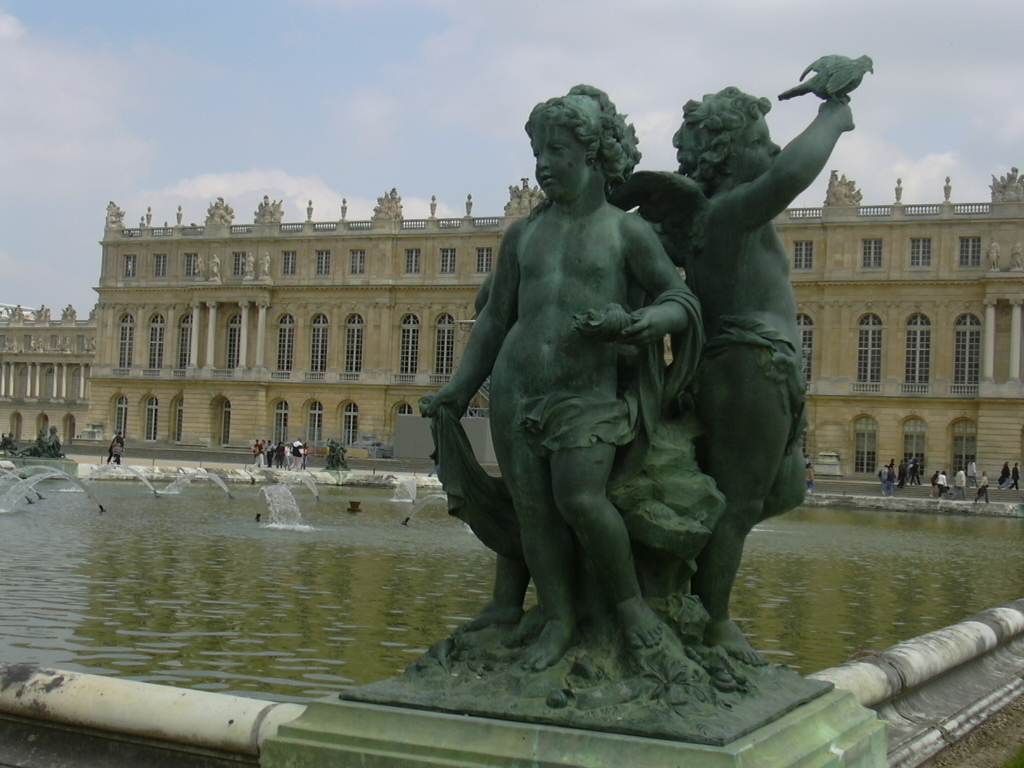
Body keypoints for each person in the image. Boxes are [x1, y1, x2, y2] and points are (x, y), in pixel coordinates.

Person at [421, 85, 701, 671]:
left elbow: (679, 297)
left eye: (556, 151)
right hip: (517, 385)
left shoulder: (626, 232)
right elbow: (497, 318)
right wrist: (459, 388)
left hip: (588, 391)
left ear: (592, 152)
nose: (543, 164)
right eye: (537, 153)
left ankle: (630, 611)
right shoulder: (523, 234)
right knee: (533, 510)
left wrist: (646, 320)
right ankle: (557, 618)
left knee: (580, 499)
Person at [614, 86, 856, 665]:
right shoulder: (728, 213)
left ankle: (687, 561)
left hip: (762, 366)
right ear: (725, 155)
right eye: (758, 141)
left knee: (786, 487)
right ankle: (714, 622)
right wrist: (833, 116)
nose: (771, 149)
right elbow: (794, 171)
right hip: (748, 364)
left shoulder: (705, 217)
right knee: (740, 503)